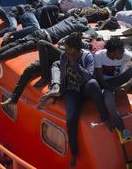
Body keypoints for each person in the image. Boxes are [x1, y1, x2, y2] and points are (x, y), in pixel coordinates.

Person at [41, 33, 109, 167]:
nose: (65, 51)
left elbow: (90, 76)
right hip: (71, 91)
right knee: (71, 119)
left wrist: (76, 66)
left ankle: (105, 116)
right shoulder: (63, 56)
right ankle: (74, 153)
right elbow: (63, 76)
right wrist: (58, 93)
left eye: (67, 48)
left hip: (84, 89)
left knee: (94, 84)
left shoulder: (87, 57)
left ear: (75, 49)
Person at [0, 16, 88, 69]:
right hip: (44, 37)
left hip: (39, 31)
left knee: (14, 44)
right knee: (18, 48)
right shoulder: (78, 27)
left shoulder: (69, 19)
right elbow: (89, 29)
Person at [94, 37, 132, 140]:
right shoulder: (99, 56)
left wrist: (128, 84)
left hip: (121, 79)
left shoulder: (125, 53)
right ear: (113, 52)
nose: (123, 54)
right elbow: (100, 79)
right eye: (120, 52)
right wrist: (114, 90)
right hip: (107, 84)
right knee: (109, 101)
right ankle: (122, 128)